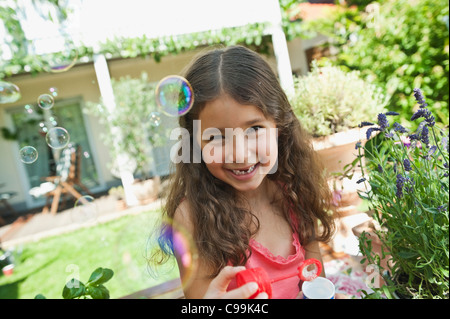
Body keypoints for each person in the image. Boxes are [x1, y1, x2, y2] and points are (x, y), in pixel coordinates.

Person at [152, 45, 335, 299]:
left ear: (279, 125)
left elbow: (318, 287)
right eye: (216, 136)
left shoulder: (295, 194)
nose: (240, 153)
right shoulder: (193, 217)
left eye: (254, 129)